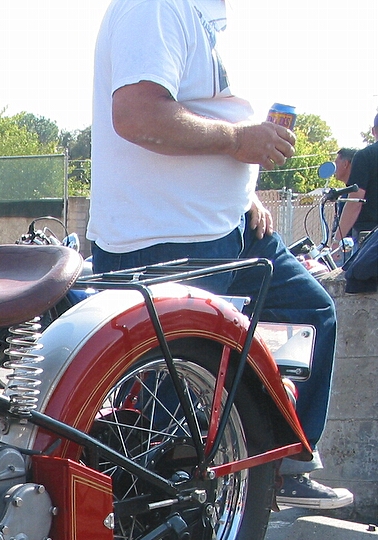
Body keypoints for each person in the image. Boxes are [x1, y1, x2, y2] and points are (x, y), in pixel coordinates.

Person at [87, 0, 351, 510]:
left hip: (223, 227)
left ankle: (286, 462)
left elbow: (193, 111)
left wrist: (239, 190)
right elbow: (138, 114)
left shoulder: (197, 14)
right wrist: (237, 141)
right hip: (167, 239)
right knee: (170, 409)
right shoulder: (157, 6)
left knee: (310, 314)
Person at [333, 114, 378, 248]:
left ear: (374, 131)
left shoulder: (365, 156)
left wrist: (336, 241)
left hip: (370, 239)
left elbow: (355, 203)